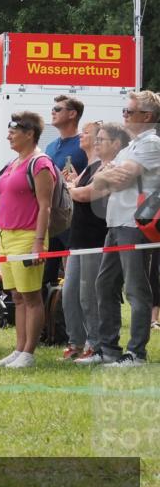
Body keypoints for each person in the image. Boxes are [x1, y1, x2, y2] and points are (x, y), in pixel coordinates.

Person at [0, 111, 56, 368]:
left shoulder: (40, 163)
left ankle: (29, 352)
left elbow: (46, 207)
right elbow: (7, 200)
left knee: (31, 297)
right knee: (17, 297)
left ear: (29, 133)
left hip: (28, 236)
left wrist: (37, 243)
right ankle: (18, 349)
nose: (8, 135)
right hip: (6, 235)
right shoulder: (13, 163)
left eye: (13, 131)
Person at [86, 90, 160, 366]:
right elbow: (101, 180)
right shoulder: (131, 146)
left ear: (147, 117)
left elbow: (122, 174)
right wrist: (109, 175)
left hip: (135, 223)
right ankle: (108, 349)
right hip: (116, 223)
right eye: (124, 111)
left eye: (129, 112)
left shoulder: (151, 143)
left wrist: (110, 175)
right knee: (104, 285)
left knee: (136, 289)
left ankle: (136, 353)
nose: (125, 116)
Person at [60, 121, 110, 361]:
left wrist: (70, 187)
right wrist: (72, 184)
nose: (81, 136)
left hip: (94, 237)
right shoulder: (87, 166)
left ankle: (96, 344)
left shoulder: (103, 167)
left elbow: (83, 195)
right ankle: (76, 342)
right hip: (77, 239)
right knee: (70, 294)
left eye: (86, 133)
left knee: (88, 295)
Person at [43, 95, 88, 286]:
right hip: (51, 218)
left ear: (72, 114)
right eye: (53, 108)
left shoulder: (84, 144)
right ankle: (49, 316)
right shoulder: (50, 146)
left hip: (75, 219)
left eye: (58, 109)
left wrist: (78, 180)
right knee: (46, 278)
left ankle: (69, 315)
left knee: (72, 280)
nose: (53, 111)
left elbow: (96, 173)